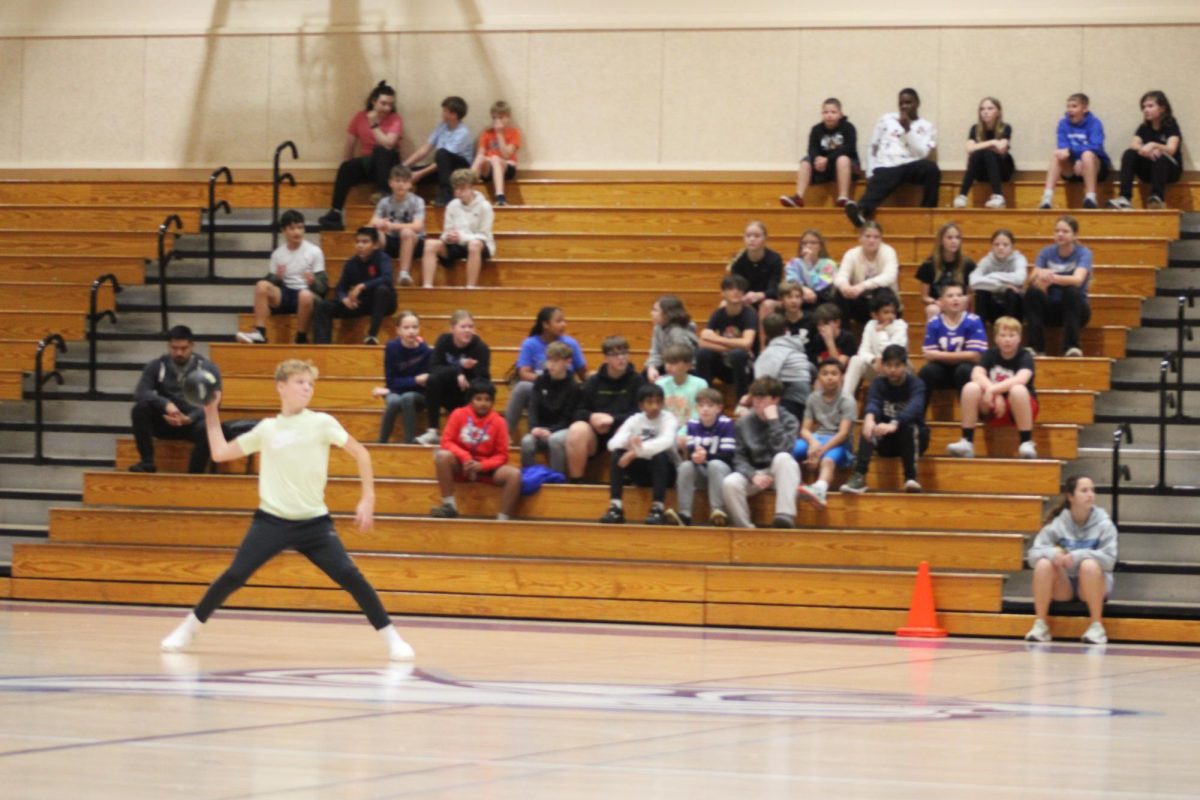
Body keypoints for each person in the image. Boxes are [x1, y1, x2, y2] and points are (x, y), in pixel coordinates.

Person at [159, 359, 415, 661]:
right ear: (281, 387)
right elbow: (220, 452)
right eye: (300, 382)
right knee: (234, 576)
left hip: (314, 525)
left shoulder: (322, 423)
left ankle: (392, 638)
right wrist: (211, 411)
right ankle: (188, 629)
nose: (307, 387)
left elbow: (361, 453)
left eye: (310, 383)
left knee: (351, 576)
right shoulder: (267, 429)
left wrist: (368, 497)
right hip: (272, 522)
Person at [1024, 475, 1118, 645]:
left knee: (1088, 565)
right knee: (1043, 563)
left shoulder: (1104, 524)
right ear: (1070, 496)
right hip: (1066, 586)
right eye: (1084, 490)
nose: (1090, 494)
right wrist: (1053, 554)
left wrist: (1078, 555)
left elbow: (1110, 560)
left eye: (1092, 490)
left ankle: (1097, 626)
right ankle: (1041, 625)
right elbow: (1032, 555)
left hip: (1094, 583)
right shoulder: (1058, 523)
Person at [129, 325, 222, 474]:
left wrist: (190, 418)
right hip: (165, 420)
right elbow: (141, 392)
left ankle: (195, 473)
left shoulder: (208, 368)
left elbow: (214, 403)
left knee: (208, 426)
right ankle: (147, 462)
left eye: (183, 348)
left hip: (192, 423)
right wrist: (165, 404)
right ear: (168, 346)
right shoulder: (157, 365)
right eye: (174, 348)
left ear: (192, 346)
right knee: (140, 409)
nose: (179, 353)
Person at [946, 316, 1039, 460]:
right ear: (996, 338)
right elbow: (976, 374)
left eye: (1011, 335)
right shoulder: (990, 354)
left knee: (1017, 389)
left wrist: (992, 390)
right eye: (1003, 335)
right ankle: (967, 441)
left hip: (1019, 407)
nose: (1007, 339)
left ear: (1019, 338)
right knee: (971, 387)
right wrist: (995, 393)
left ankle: (1026, 442)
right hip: (993, 406)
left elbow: (1021, 379)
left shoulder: (1024, 356)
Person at [840, 345, 929, 494]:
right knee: (868, 426)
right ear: (882, 366)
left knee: (908, 426)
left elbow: (916, 407)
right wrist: (869, 418)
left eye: (897, 365)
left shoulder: (916, 384)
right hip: (887, 442)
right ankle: (859, 477)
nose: (892, 370)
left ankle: (911, 478)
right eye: (888, 365)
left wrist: (895, 423)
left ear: (905, 366)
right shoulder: (878, 383)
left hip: (915, 441)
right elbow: (873, 402)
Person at [845, 88, 939, 228]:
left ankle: (927, 212)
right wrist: (870, 171)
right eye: (901, 103)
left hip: (911, 164)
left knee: (932, 169)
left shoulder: (927, 127)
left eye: (908, 102)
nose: (904, 106)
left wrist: (908, 130)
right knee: (883, 177)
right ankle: (861, 211)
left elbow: (922, 153)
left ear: (917, 103)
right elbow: (873, 145)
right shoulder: (886, 119)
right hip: (887, 165)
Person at [317, 81, 403, 231]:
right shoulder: (359, 116)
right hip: (369, 163)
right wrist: (346, 168)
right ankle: (335, 213)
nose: (387, 108)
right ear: (373, 101)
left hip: (388, 165)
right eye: (383, 103)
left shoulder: (395, 118)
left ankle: (384, 194)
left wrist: (374, 124)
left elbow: (389, 144)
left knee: (381, 150)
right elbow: (350, 144)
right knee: (346, 166)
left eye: (390, 104)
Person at [430, 379, 522, 521]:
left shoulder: (499, 422)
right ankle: (449, 506)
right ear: (471, 400)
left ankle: (503, 519)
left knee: (515, 475)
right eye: (478, 399)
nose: (483, 403)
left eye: (487, 400)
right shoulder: (458, 414)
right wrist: (465, 456)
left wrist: (482, 465)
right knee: (442, 456)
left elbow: (502, 455)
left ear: (492, 402)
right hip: (462, 464)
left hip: (487, 468)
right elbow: (446, 442)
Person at [236, 210, 326, 344]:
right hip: (285, 293)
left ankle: (301, 336)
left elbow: (323, 287)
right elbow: (271, 281)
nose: (297, 232)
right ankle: (260, 332)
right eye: (292, 228)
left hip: (305, 295)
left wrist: (312, 281)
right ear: (284, 231)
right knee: (262, 285)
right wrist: (277, 277)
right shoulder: (278, 254)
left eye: (300, 228)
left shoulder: (314, 251)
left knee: (305, 295)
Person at [722, 377, 801, 529]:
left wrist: (774, 422)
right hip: (756, 473)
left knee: (783, 458)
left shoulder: (789, 420)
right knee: (730, 483)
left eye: (762, 398)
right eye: (754, 397)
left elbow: (785, 449)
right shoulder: (743, 423)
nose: (757, 402)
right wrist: (753, 475)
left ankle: (785, 515)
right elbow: (739, 457)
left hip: (780, 472)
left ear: (775, 399)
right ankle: (745, 529)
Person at [565, 335, 645, 482]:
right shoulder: (593, 381)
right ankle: (576, 481)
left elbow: (641, 413)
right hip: (596, 435)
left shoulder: (637, 380)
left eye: (624, 353)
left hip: (623, 430)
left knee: (630, 429)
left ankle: (626, 479)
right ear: (606, 358)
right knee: (577, 429)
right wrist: (592, 417)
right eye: (615, 354)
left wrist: (613, 420)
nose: (621, 358)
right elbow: (577, 412)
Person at [597, 384, 680, 525]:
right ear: (641, 405)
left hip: (668, 473)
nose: (655, 406)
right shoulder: (634, 420)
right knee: (617, 454)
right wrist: (628, 442)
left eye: (659, 402)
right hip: (644, 473)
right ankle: (616, 507)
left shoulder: (669, 419)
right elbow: (612, 444)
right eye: (650, 402)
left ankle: (658, 508)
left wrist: (636, 452)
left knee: (659, 455)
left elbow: (665, 442)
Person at [504, 306, 587, 436]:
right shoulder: (530, 343)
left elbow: (583, 374)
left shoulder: (571, 343)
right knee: (522, 387)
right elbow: (523, 373)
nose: (563, 324)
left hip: (564, 394)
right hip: (541, 393)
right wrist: (546, 381)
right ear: (545, 325)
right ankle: (505, 435)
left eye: (564, 321)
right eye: (558, 321)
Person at [415, 310, 491, 445]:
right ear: (452, 329)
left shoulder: (480, 348)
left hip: (467, 394)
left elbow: (483, 379)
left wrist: (470, 372)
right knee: (432, 379)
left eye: (470, 327)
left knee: (478, 390)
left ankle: (470, 430)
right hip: (447, 392)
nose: (468, 330)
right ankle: (433, 431)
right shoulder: (444, 341)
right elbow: (433, 367)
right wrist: (457, 373)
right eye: (463, 327)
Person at [312, 227, 396, 345]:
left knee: (382, 290)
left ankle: (372, 336)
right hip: (362, 303)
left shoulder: (382, 258)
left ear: (375, 245)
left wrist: (362, 286)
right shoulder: (351, 263)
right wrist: (344, 299)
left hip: (384, 303)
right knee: (324, 306)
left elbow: (387, 279)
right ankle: (322, 346)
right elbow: (341, 287)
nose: (360, 245)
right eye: (357, 242)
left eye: (365, 242)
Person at [666, 387, 736, 527]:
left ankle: (717, 511)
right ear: (696, 408)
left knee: (714, 464)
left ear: (719, 408)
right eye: (701, 405)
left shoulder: (726, 424)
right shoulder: (693, 424)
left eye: (710, 406)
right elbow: (692, 452)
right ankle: (684, 513)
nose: (705, 409)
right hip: (703, 471)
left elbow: (728, 455)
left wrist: (706, 457)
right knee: (685, 466)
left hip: (722, 473)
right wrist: (696, 456)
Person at [1025, 215, 1093, 357]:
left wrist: (1051, 277)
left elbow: (1077, 280)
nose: (1060, 234)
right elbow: (1032, 278)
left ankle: (1071, 347)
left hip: (1076, 311)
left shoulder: (1083, 253)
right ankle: (1036, 348)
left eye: (1065, 231)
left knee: (1072, 291)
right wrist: (1039, 275)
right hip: (1051, 309)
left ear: (1074, 235)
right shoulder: (1046, 252)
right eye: (1057, 231)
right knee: (1032, 293)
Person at [795, 359, 856, 510]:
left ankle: (820, 489)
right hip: (818, 438)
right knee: (792, 449)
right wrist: (813, 443)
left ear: (841, 377)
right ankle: (794, 483)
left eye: (834, 373)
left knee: (828, 460)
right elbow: (804, 429)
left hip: (839, 442)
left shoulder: (847, 400)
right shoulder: (813, 398)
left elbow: (843, 433)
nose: (830, 377)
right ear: (819, 378)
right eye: (825, 374)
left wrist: (819, 451)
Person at [917, 281, 987, 412]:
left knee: (964, 370)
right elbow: (928, 355)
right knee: (927, 372)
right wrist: (962, 355)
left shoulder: (974, 320)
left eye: (959, 295)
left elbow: (975, 356)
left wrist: (939, 355)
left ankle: (971, 420)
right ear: (941, 301)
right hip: (943, 371)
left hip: (965, 371)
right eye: (950, 296)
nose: (956, 299)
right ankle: (917, 421)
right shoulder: (934, 322)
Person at [421, 168, 495, 289]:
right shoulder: (452, 205)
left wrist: (462, 237)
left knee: (474, 245)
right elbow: (446, 231)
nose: (459, 192)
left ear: (471, 187)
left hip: (479, 246)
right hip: (457, 244)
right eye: (456, 188)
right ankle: (427, 286)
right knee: (429, 244)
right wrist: (448, 237)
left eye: (462, 188)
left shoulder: (485, 206)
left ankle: (471, 287)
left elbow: (483, 235)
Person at [1109, 90, 1183, 210]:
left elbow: (1171, 149)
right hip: (1149, 171)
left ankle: (1157, 197)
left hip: (1170, 170)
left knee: (1160, 156)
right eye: (1143, 107)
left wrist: (1154, 145)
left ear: (1162, 108)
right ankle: (1124, 198)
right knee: (1129, 154)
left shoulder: (1171, 125)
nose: (1145, 110)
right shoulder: (1144, 127)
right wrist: (1146, 150)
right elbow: (1133, 145)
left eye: (1150, 106)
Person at [780, 98, 859, 208]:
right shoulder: (816, 129)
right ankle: (798, 197)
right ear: (822, 114)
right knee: (805, 162)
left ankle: (843, 197)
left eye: (833, 112)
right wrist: (817, 159)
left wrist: (828, 159)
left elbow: (849, 148)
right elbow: (812, 149)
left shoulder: (848, 128)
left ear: (840, 114)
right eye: (826, 112)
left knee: (842, 159)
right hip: (822, 166)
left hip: (844, 167)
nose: (829, 115)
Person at [1039, 93, 1110, 210]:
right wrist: (1075, 158)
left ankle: (1091, 197)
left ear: (1085, 108)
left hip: (1095, 167)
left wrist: (1077, 156)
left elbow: (1095, 146)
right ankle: (1047, 197)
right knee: (1057, 154)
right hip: (1073, 168)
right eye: (1068, 106)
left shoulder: (1095, 123)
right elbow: (1062, 146)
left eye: (1074, 106)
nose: (1070, 110)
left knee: (1087, 155)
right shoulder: (1063, 123)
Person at [520, 341, 581, 475]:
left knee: (554, 440)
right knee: (526, 442)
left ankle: (557, 480)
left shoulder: (573, 386)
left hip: (562, 429)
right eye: (549, 360)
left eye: (556, 360)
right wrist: (533, 427)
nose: (551, 364)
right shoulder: (541, 381)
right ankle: (528, 477)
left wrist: (551, 430)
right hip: (541, 428)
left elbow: (568, 418)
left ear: (568, 362)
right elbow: (533, 408)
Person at [401, 96, 473, 206]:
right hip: (442, 166)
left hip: (459, 168)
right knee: (408, 172)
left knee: (441, 153)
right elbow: (425, 149)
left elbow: (444, 159)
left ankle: (447, 195)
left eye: (445, 111)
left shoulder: (463, 133)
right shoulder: (442, 126)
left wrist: (419, 174)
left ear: (454, 115)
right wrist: (404, 166)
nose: (442, 113)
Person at [695, 274, 757, 399]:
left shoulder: (749, 313)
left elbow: (747, 343)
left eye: (740, 289)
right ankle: (705, 399)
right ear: (722, 293)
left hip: (746, 367)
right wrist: (731, 347)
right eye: (731, 289)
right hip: (724, 365)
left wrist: (715, 339)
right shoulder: (718, 314)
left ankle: (741, 403)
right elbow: (702, 342)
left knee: (738, 354)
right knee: (702, 353)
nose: (736, 292)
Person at [373, 312, 430, 444]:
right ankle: (381, 443)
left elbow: (424, 385)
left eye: (415, 327)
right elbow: (391, 380)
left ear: (419, 329)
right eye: (406, 327)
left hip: (416, 395)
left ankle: (409, 442)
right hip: (396, 391)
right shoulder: (392, 348)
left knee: (407, 397)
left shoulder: (425, 351)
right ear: (398, 330)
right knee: (393, 402)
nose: (411, 331)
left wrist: (392, 388)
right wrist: (414, 380)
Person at [843, 289, 907, 402]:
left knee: (893, 361)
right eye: (886, 312)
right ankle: (845, 402)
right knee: (856, 360)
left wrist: (881, 332)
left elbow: (893, 352)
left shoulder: (900, 325)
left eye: (893, 312)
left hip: (895, 368)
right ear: (875, 314)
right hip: (876, 367)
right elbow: (863, 350)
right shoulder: (870, 325)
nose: (891, 316)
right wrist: (873, 360)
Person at [952, 97, 1014, 209]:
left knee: (986, 153)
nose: (985, 112)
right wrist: (993, 142)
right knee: (978, 154)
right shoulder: (975, 129)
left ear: (998, 112)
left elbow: (1001, 148)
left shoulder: (1005, 127)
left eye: (990, 108)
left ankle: (998, 196)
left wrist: (980, 146)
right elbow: (969, 148)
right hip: (982, 172)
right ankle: (962, 196)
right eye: (982, 109)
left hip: (1002, 170)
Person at [368, 164, 425, 287]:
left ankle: (404, 273)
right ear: (390, 183)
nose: (401, 184)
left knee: (406, 232)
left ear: (410, 184)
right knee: (376, 234)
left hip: (414, 241)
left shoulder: (417, 201)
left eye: (404, 181)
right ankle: (376, 270)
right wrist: (380, 223)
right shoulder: (384, 202)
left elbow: (417, 226)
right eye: (397, 181)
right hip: (393, 240)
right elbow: (372, 222)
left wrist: (393, 226)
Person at [833, 221, 900, 324]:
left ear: (881, 239)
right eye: (867, 236)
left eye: (876, 237)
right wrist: (845, 286)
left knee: (883, 291)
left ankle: (884, 333)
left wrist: (863, 286)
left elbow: (890, 276)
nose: (871, 240)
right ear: (860, 238)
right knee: (840, 293)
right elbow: (841, 275)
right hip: (860, 302)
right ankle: (843, 335)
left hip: (883, 301)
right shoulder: (851, 254)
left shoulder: (888, 252)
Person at [752, 312, 811, 422]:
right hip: (805, 399)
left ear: (765, 333)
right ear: (786, 330)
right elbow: (811, 369)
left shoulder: (771, 353)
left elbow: (761, 384)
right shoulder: (796, 349)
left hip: (789, 401)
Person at [916, 221, 976, 321]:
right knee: (932, 309)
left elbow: (970, 295)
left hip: (959, 303)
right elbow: (924, 297)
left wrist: (956, 301)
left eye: (957, 238)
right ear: (941, 240)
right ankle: (933, 336)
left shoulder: (968, 264)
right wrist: (937, 302)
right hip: (939, 304)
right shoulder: (928, 265)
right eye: (949, 238)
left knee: (964, 300)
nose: (954, 241)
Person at [727, 220, 783, 321]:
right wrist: (743, 297)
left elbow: (774, 289)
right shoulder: (738, 260)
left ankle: (763, 337)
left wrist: (759, 295)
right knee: (725, 304)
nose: (752, 239)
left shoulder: (774, 259)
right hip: (745, 299)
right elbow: (736, 286)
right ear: (744, 238)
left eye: (757, 236)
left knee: (767, 305)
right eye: (748, 236)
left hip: (767, 299)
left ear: (765, 238)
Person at [970, 229, 1027, 325]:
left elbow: (1020, 278)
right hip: (993, 308)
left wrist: (992, 276)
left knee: (1011, 292)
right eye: (997, 244)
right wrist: (1003, 286)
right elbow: (973, 281)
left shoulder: (1019, 259)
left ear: (1012, 247)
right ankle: (980, 333)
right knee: (981, 292)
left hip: (1013, 309)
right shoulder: (987, 261)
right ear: (992, 246)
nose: (1001, 248)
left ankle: (1009, 331)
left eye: (1005, 245)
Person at [471, 100, 522, 206]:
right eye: (494, 118)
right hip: (489, 168)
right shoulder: (486, 133)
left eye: (500, 117)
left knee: (495, 159)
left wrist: (499, 133)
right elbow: (480, 155)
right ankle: (466, 188)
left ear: (508, 117)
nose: (497, 121)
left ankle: (500, 197)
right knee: (480, 159)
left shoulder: (514, 132)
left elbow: (506, 155)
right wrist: (486, 159)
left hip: (507, 168)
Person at [644, 295, 699, 382]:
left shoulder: (678, 333)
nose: (651, 313)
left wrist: (666, 378)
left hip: (683, 371)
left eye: (655, 310)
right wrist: (651, 368)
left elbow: (686, 361)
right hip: (667, 365)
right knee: (644, 375)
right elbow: (656, 352)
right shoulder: (658, 328)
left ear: (667, 314)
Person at [656, 344, 707, 438]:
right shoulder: (660, 384)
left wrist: (681, 434)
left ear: (688, 366)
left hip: (691, 432)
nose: (668, 366)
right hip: (665, 432)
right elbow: (658, 413)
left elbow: (698, 414)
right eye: (667, 362)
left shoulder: (700, 384)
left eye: (673, 363)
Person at [783, 229, 839, 309]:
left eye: (813, 243)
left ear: (820, 246)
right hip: (799, 301)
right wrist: (803, 289)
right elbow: (792, 281)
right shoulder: (794, 263)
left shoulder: (829, 264)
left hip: (821, 301)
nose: (808, 246)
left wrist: (808, 264)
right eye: (804, 243)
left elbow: (817, 287)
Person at [805, 302, 855, 371]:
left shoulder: (847, 338)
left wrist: (829, 341)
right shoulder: (817, 338)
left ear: (837, 323)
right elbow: (820, 364)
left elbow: (838, 366)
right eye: (819, 325)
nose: (822, 328)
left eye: (826, 324)